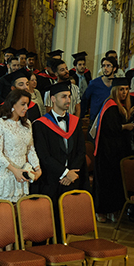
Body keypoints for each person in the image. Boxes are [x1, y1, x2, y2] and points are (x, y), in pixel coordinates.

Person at [32, 81, 89, 210]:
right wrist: (65, 173)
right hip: (52, 179)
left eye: (69, 96)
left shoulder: (75, 122)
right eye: (63, 96)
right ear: (53, 99)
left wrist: (71, 173)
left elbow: (81, 151)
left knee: (72, 216)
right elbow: (44, 156)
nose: (68, 100)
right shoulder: (41, 125)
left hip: (73, 178)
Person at [93, 78, 134, 222]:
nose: (124, 92)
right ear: (115, 90)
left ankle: (114, 211)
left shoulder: (122, 106)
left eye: (126, 89)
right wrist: (125, 127)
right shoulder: (110, 105)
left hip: (117, 151)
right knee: (106, 182)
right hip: (107, 152)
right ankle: (101, 211)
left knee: (116, 183)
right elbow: (109, 128)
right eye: (121, 89)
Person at [0, 88, 40, 202]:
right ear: (13, 104)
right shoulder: (0, 123)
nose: (26, 108)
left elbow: (30, 149)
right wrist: (14, 170)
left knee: (19, 213)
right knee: (3, 213)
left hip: (22, 174)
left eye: (27, 104)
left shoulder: (27, 123)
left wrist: (38, 168)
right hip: (6, 173)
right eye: (23, 104)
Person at [82, 56, 117, 121]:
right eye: (103, 66)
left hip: (112, 119)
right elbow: (84, 99)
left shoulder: (117, 84)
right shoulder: (94, 83)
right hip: (96, 119)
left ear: (114, 68)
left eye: (108, 66)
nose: (105, 68)